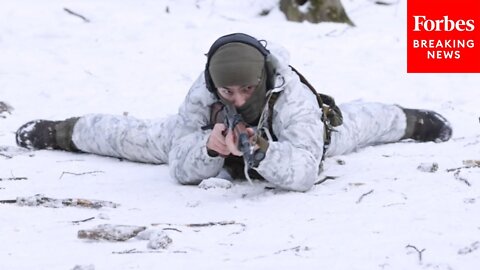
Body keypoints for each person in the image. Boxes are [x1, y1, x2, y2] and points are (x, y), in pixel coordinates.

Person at [15, 33, 452, 192]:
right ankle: (59, 131)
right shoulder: (202, 91)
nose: (238, 98)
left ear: (261, 79)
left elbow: (302, 174)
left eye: (247, 89)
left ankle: (414, 120)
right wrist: (207, 148)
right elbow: (179, 166)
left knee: (360, 124)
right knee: (133, 138)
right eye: (228, 90)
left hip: (288, 140)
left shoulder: (292, 95)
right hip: (216, 137)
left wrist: (263, 152)